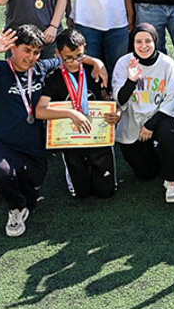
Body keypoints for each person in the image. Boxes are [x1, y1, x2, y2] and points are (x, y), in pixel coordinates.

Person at [0, 26, 57, 237]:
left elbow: (67, 59)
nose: (31, 57)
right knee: (7, 178)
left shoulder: (41, 68)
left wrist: (95, 63)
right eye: (27, 50)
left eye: (36, 52)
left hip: (32, 147)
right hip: (0, 143)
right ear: (14, 48)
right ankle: (16, 208)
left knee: (31, 197)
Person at [34, 28, 121, 200]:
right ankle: (72, 170)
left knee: (106, 192)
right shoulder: (53, 78)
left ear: (85, 49)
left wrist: (118, 112)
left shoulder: (94, 71)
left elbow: (110, 99)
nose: (75, 62)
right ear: (58, 54)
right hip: (71, 142)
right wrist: (70, 113)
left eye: (79, 56)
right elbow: (39, 111)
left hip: (98, 141)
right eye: (69, 58)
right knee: (81, 194)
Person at [112, 24, 174, 203]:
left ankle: (172, 182)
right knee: (146, 173)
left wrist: (151, 124)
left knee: (170, 134)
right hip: (132, 122)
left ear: (155, 41)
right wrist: (131, 80)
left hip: (159, 118)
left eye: (148, 41)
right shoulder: (123, 63)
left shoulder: (167, 63)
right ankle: (164, 152)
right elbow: (120, 100)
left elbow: (172, 99)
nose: (143, 46)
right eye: (138, 41)